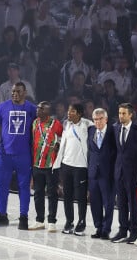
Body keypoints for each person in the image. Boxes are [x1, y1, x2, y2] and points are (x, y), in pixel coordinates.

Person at [0, 82, 36, 230]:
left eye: (18, 91)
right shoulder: (2, 106)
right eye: (13, 91)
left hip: (24, 155)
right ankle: (2, 215)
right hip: (5, 154)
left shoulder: (32, 109)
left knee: (24, 187)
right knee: (1, 186)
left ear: (25, 92)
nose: (15, 94)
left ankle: (23, 217)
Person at [53, 103, 92, 236]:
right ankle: (69, 222)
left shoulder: (88, 125)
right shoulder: (66, 125)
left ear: (80, 113)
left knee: (81, 197)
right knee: (67, 195)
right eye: (69, 111)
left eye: (73, 111)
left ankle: (81, 223)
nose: (69, 113)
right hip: (66, 165)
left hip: (81, 166)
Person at [111, 103, 137, 244]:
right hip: (119, 171)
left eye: (124, 113)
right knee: (121, 202)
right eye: (119, 113)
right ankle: (122, 230)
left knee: (133, 203)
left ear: (131, 114)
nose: (121, 116)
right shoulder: (115, 128)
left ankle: (134, 231)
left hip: (133, 172)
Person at [28, 101, 63, 231]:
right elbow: (33, 140)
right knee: (38, 193)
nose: (38, 110)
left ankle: (52, 221)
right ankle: (39, 220)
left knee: (52, 193)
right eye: (38, 108)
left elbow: (63, 137)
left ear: (48, 111)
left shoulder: (56, 124)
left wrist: (58, 145)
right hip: (37, 163)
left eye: (41, 108)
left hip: (51, 165)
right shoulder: (35, 123)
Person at [88, 107, 117, 239]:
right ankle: (98, 227)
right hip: (93, 172)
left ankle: (106, 229)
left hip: (108, 173)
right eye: (95, 120)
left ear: (106, 119)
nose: (98, 122)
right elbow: (91, 151)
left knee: (108, 202)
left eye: (100, 119)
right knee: (95, 202)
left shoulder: (113, 131)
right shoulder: (91, 130)